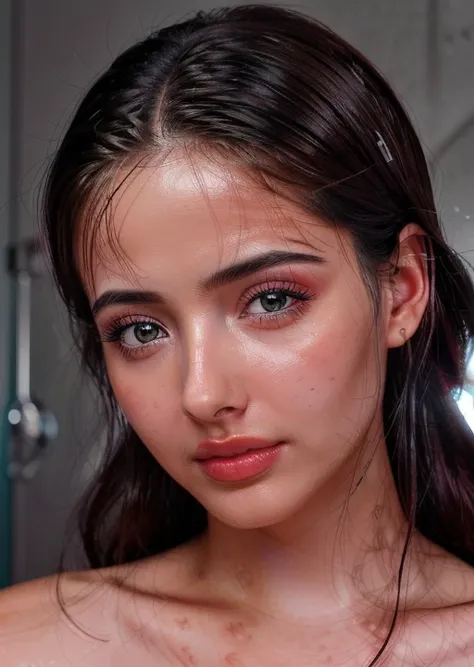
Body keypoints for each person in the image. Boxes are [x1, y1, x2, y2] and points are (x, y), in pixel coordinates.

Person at [1, 4, 474, 665]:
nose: (202, 393)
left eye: (271, 299)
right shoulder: (24, 645)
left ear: (402, 289)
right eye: (140, 329)